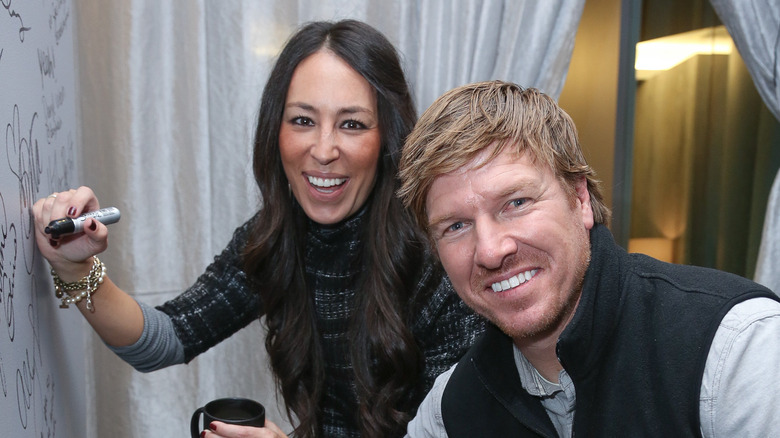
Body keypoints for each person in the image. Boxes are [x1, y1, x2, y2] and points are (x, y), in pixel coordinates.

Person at [33, 20, 484, 438]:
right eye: (303, 120)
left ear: (387, 136)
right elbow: (163, 341)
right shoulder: (277, 236)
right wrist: (76, 266)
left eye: (351, 124)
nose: (323, 150)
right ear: (276, 131)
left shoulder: (439, 255)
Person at [397, 80, 780, 437]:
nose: (491, 251)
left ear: (579, 199)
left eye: (516, 203)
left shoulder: (737, 350)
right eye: (456, 226)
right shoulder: (450, 411)